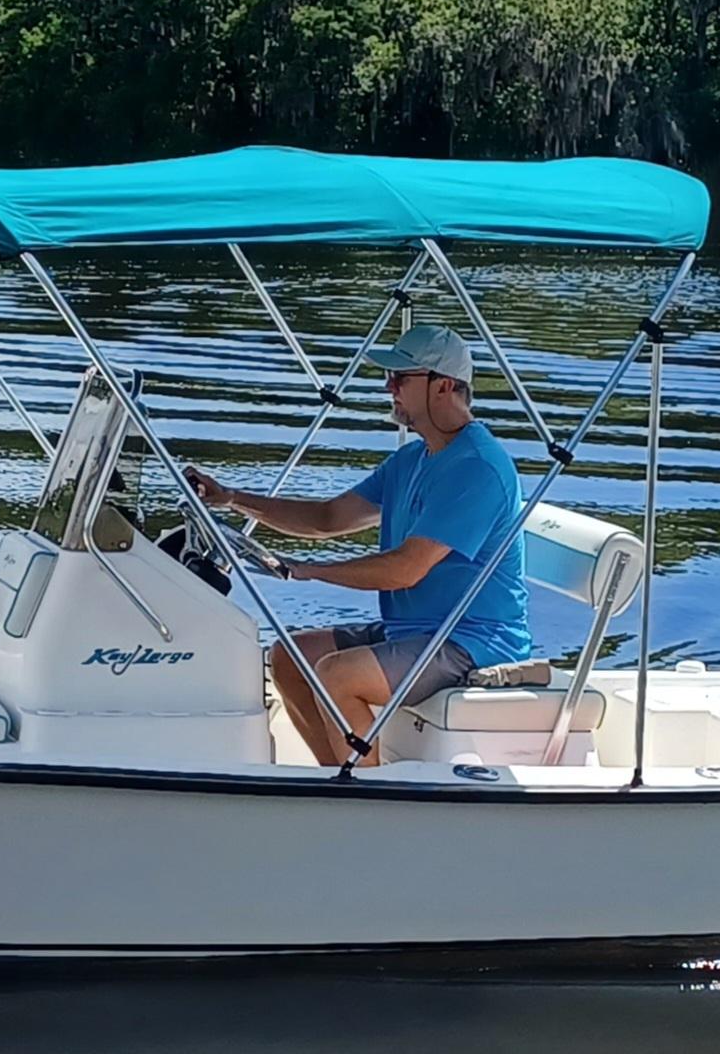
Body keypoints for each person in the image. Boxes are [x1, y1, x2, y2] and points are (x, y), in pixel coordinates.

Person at [187, 323, 532, 766]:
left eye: (401, 378)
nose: (389, 388)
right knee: (291, 656)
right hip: (416, 632)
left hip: (472, 641)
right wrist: (232, 498)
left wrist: (311, 570)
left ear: (443, 385)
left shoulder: (477, 469)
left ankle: (371, 800)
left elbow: (405, 569)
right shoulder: (414, 458)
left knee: (337, 675)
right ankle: (336, 779)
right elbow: (328, 518)